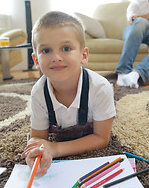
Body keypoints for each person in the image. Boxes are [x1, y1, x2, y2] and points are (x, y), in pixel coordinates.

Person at [21, 11, 116, 176]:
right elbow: (38, 138)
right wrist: (36, 154)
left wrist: (55, 149)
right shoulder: (38, 93)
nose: (56, 57)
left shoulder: (100, 89)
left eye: (66, 48)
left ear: (83, 55)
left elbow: (101, 139)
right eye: (46, 51)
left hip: (100, 97)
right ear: (36, 60)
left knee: (108, 95)